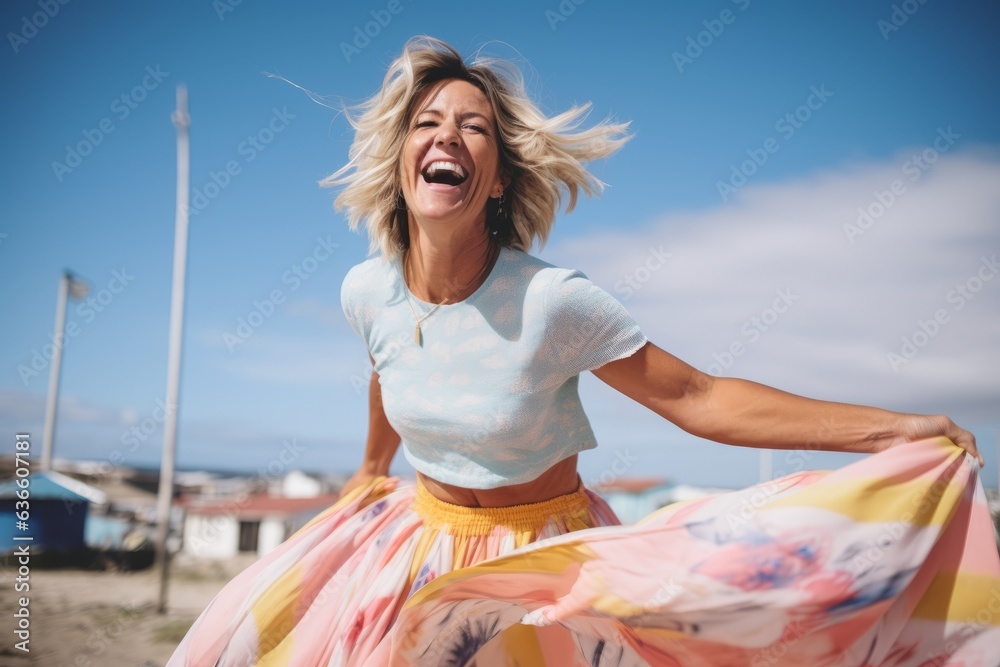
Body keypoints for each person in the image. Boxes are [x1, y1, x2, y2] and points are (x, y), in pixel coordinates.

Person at [168, 37, 1000, 666]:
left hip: (544, 565)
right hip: (416, 546)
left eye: (473, 127)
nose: (447, 135)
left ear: (495, 178)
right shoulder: (365, 292)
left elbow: (699, 396)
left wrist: (893, 429)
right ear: (401, 163)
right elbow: (389, 368)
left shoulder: (553, 300)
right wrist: (368, 466)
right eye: (427, 123)